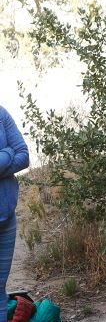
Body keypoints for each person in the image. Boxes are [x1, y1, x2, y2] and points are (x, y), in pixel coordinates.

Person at [0, 105, 30, 316]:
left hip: (6, 218)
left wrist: (7, 156)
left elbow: (24, 155)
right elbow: (14, 153)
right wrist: (7, 153)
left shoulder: (0, 115)